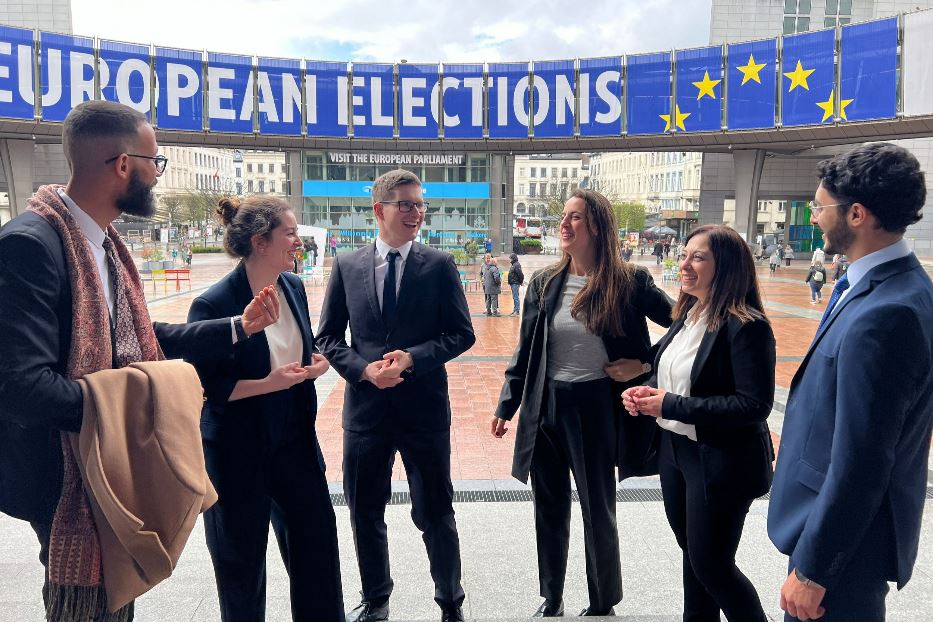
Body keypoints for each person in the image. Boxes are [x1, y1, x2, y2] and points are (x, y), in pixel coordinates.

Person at [0, 100, 280, 621]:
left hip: (109, 465)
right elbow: (20, 386)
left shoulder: (104, 244)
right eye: (155, 162)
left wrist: (237, 328)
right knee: (88, 607)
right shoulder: (30, 244)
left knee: (114, 603)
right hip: (66, 474)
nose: (157, 174)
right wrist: (129, 412)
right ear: (123, 164)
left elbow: (142, 339)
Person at [768, 143, 933, 622]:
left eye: (819, 207)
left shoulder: (887, 313)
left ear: (856, 214)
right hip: (841, 533)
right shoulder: (896, 288)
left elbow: (864, 458)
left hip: (844, 552)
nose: (815, 217)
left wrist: (816, 569)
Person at [492, 189, 673, 618]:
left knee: (598, 507)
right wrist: (507, 403)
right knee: (548, 506)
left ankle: (602, 600)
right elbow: (528, 350)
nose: (564, 224)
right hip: (546, 406)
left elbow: (686, 327)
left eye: (575, 217)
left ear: (597, 226)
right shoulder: (544, 282)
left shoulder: (630, 281)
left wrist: (644, 364)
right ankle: (551, 596)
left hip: (594, 408)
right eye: (564, 217)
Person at [316, 169, 476, 622]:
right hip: (366, 413)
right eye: (405, 204)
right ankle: (377, 599)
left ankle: (450, 601)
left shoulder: (440, 265)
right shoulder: (347, 265)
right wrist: (364, 371)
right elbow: (327, 337)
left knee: (436, 512)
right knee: (365, 511)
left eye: (420, 204)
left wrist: (414, 358)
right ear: (379, 210)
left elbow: (461, 335)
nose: (416, 213)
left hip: (423, 411)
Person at [187, 196, 343, 622]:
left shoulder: (291, 286)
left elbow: (298, 350)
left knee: (317, 552)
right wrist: (267, 384)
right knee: (241, 565)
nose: (299, 241)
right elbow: (205, 389)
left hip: (295, 443)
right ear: (260, 241)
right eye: (290, 233)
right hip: (237, 452)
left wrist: (315, 365)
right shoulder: (214, 305)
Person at [623, 224, 775, 622]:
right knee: (693, 558)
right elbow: (671, 371)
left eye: (698, 257)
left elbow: (753, 405)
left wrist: (669, 404)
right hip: (676, 454)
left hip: (722, 460)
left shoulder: (747, 325)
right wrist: (647, 391)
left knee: (712, 566)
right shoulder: (689, 313)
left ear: (724, 267)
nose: (684, 264)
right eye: (684, 254)